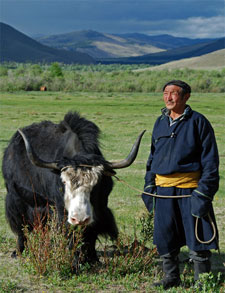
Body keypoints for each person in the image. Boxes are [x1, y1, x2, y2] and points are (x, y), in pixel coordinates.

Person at [142, 80, 219, 289]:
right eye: (165, 93)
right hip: (163, 191)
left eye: (174, 94)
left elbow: (211, 162)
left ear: (186, 97)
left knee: (198, 236)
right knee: (165, 235)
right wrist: (149, 187)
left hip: (190, 190)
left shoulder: (199, 122)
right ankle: (171, 278)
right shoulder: (160, 122)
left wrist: (203, 193)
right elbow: (152, 159)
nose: (168, 98)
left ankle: (202, 281)